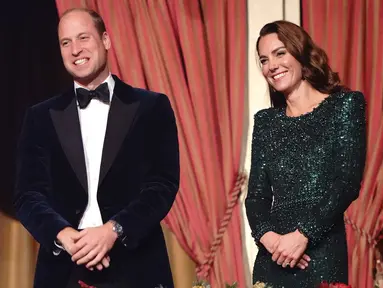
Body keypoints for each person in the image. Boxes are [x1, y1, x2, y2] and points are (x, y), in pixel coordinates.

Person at [13, 7, 179, 288]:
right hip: (64, 268)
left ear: (106, 40)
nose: (75, 49)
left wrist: (113, 230)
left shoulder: (152, 107)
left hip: (135, 265)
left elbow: (162, 185)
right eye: (66, 42)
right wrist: (64, 235)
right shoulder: (40, 116)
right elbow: (28, 195)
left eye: (83, 38)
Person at [245, 20, 366, 287]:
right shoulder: (266, 122)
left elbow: (346, 183)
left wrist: (302, 236)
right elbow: (256, 197)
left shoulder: (346, 105)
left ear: (300, 53)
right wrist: (273, 241)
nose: (271, 66)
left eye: (280, 53)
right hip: (272, 257)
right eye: (264, 60)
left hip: (321, 251)